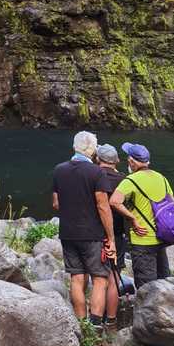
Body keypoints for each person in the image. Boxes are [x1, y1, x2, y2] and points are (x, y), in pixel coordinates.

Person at [52, 130, 116, 325]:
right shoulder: (97, 172)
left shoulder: (59, 170)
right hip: (92, 234)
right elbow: (103, 206)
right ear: (93, 150)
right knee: (100, 279)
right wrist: (111, 238)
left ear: (74, 147)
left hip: (68, 232)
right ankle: (95, 326)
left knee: (77, 278)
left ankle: (81, 325)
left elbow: (56, 204)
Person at [109, 141, 174, 288]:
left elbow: (114, 201)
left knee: (146, 289)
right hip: (161, 238)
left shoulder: (131, 180)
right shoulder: (161, 178)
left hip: (142, 240)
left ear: (132, 162)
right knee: (163, 284)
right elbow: (173, 206)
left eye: (128, 159)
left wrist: (132, 218)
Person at [96, 143, 126, 325]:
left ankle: (94, 319)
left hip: (94, 234)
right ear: (117, 161)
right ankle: (112, 320)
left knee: (97, 278)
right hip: (117, 234)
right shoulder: (124, 180)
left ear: (98, 160)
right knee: (114, 277)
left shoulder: (93, 177)